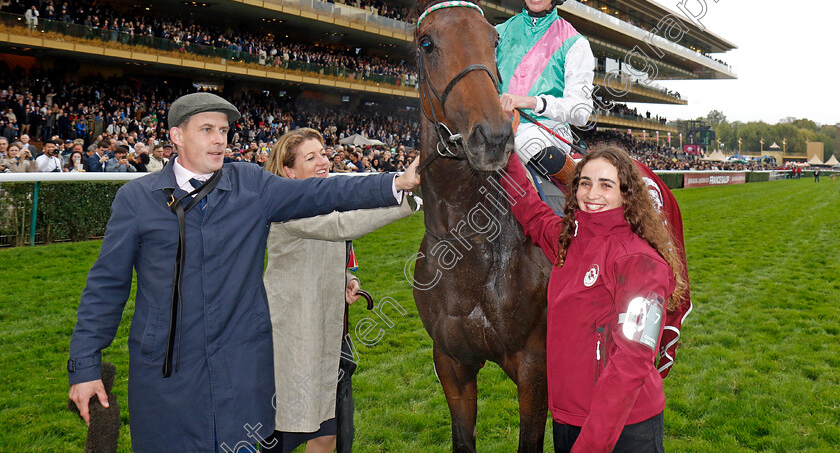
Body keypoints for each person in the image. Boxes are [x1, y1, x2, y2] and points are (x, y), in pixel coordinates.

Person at [67, 92, 420, 453]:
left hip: (242, 372)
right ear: (176, 136)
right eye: (207, 130)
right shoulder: (137, 199)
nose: (220, 139)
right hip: (165, 376)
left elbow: (322, 192)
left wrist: (396, 183)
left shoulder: (252, 184)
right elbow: (106, 286)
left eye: (223, 130)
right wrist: (85, 368)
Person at [500, 144, 688, 452]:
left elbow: (633, 362)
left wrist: (591, 443)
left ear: (627, 193)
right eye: (584, 183)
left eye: (606, 185)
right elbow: (531, 211)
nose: (591, 194)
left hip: (623, 428)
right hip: (567, 420)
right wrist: (506, 152)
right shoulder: (569, 239)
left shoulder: (641, 261)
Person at [261, 128, 418, 453]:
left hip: (325, 338)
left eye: (322, 152)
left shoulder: (319, 199)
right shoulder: (285, 205)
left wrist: (346, 277)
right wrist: (405, 197)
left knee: (326, 434)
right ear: (288, 171)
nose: (323, 160)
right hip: (291, 341)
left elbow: (323, 246)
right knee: (280, 436)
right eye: (311, 157)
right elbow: (339, 224)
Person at [495, 0, 595, 186]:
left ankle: (577, 200)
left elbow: (581, 112)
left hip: (546, 133)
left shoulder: (576, 43)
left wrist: (530, 102)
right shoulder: (497, 33)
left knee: (527, 142)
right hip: (495, 125)